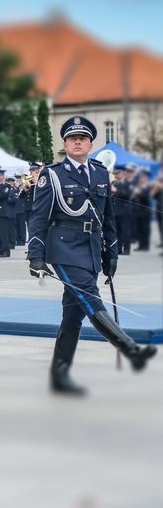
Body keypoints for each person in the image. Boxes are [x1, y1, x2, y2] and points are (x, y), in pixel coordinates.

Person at [27, 116, 156, 395]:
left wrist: (112, 251)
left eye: (83, 138)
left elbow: (107, 216)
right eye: (72, 138)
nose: (77, 142)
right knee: (89, 297)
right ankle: (130, 348)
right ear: (65, 144)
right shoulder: (52, 174)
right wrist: (34, 256)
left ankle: (59, 375)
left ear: (90, 144)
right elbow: (38, 218)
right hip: (63, 247)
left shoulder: (99, 173)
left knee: (73, 316)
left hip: (91, 249)